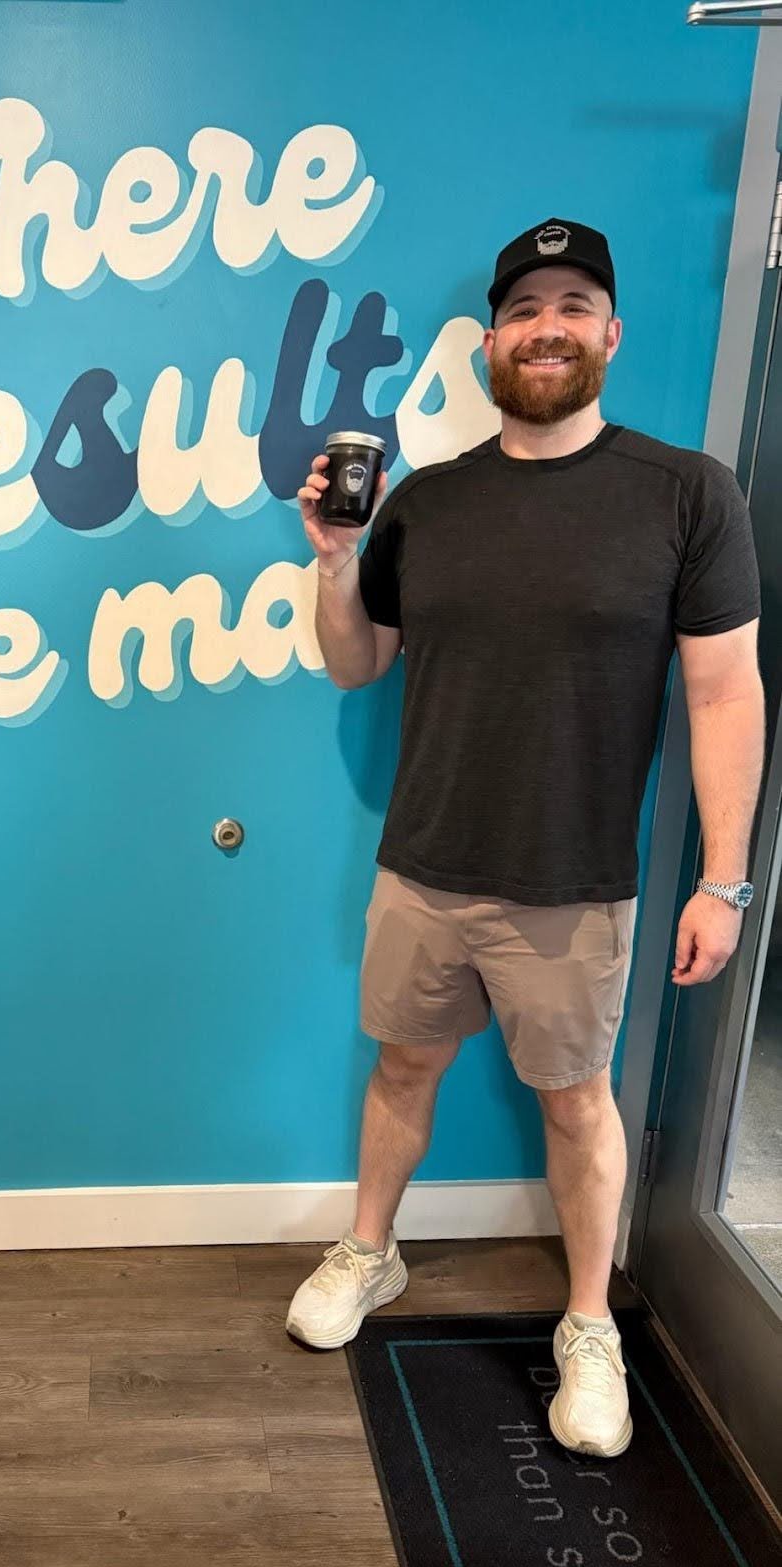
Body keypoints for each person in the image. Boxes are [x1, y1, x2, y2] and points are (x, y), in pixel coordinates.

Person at [287, 218, 765, 1458]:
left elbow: (723, 693)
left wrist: (723, 878)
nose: (544, 327)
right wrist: (334, 560)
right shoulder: (426, 504)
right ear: (490, 340)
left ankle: (588, 1321)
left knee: (576, 1106)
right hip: (423, 866)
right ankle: (370, 1249)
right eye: (522, 309)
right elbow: (357, 666)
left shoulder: (683, 493)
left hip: (574, 886)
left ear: (608, 334)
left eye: (571, 305)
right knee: (400, 1071)